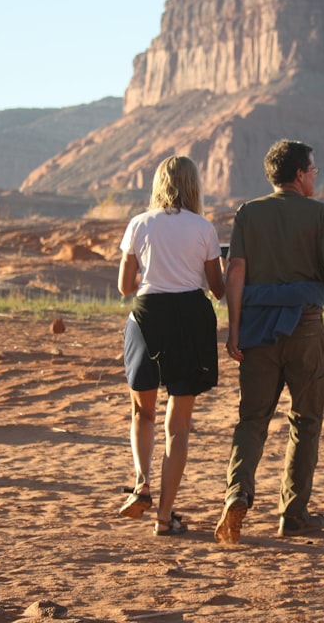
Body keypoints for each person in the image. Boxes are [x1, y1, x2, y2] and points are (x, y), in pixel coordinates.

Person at [214, 139, 324, 544]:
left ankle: (238, 491)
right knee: (305, 421)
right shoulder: (322, 213)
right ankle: (293, 513)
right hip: (305, 327)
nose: (315, 176)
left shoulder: (249, 213)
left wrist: (234, 330)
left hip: (256, 330)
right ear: (300, 174)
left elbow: (235, 270)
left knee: (252, 419)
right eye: (313, 170)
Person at [117, 155, 226, 536]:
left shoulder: (139, 224)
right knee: (178, 425)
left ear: (158, 183)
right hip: (191, 319)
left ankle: (141, 482)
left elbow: (125, 286)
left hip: (147, 317)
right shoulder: (204, 228)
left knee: (141, 413)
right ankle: (165, 518)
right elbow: (216, 288)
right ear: (194, 185)